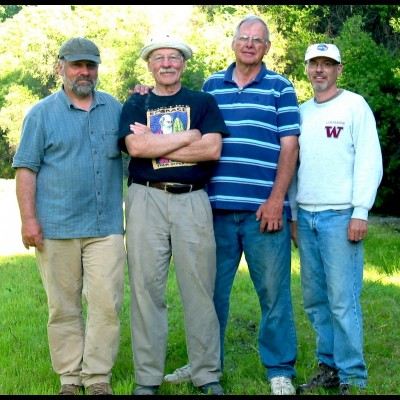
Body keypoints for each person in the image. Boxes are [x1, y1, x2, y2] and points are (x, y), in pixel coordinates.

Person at [162, 14, 301, 395]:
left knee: (273, 294)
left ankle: (280, 370)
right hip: (214, 211)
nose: (250, 44)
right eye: (244, 37)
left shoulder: (280, 88)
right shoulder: (210, 87)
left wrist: (276, 201)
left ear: (267, 48)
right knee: (209, 295)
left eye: (258, 39)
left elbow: (290, 147)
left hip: (264, 214)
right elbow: (177, 125)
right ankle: (205, 365)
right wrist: (146, 93)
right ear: (233, 43)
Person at [12, 37, 126, 395]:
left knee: (106, 304)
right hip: (56, 227)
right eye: (77, 65)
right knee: (63, 307)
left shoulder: (116, 108)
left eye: (90, 65)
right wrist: (28, 220)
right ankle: (69, 377)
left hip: (105, 227)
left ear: (97, 69)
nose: (84, 72)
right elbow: (26, 170)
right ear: (61, 66)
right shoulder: (41, 114)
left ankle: (97, 377)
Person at [118, 33, 229, 396]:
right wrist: (189, 135)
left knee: (198, 288)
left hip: (193, 201)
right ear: (149, 65)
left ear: (184, 64)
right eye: (159, 58)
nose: (166, 63)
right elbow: (136, 146)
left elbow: (211, 149)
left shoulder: (202, 101)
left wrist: (160, 142)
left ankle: (206, 374)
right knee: (146, 290)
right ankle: (147, 378)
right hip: (145, 199)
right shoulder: (135, 104)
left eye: (174, 57)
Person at [289, 43, 383, 395]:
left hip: (341, 216)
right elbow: (295, 168)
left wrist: (361, 211)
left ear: (339, 70)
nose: (320, 70)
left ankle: (352, 376)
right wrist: (295, 216)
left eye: (328, 64)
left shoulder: (354, 106)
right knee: (315, 299)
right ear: (307, 68)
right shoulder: (301, 112)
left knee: (343, 300)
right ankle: (328, 366)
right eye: (314, 64)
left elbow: (369, 161)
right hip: (308, 216)